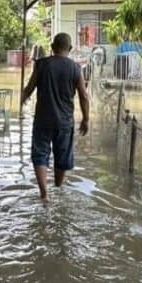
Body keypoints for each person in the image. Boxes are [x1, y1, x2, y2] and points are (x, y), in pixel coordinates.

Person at [21, 33, 90, 201]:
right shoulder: (75, 68)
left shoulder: (41, 65)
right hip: (65, 122)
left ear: (52, 47)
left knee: (40, 154)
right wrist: (86, 119)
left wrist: (20, 103)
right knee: (63, 155)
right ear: (70, 49)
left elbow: (29, 88)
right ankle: (58, 188)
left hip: (43, 120)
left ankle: (44, 193)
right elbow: (83, 96)